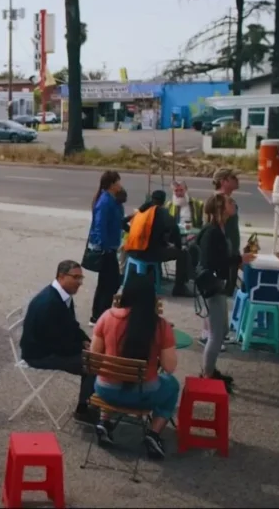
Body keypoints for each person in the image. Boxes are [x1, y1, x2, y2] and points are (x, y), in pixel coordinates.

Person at [91, 274, 180, 459]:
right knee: (171, 384)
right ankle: (153, 434)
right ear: (152, 297)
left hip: (105, 391)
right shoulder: (161, 326)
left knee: (110, 373)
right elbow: (169, 367)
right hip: (142, 396)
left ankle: (104, 422)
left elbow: (95, 356)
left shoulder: (107, 317)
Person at [20, 260, 98, 424]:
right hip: (39, 354)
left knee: (93, 357)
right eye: (76, 277)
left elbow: (71, 326)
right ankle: (83, 410)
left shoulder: (62, 296)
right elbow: (57, 344)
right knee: (93, 364)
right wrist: (82, 350)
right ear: (62, 276)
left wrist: (85, 341)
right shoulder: (50, 303)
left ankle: (89, 403)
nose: (80, 283)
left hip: (51, 347)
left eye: (81, 278)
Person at [197, 193, 255, 393]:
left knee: (221, 330)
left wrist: (238, 257)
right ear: (221, 208)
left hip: (218, 284)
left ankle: (209, 370)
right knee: (216, 334)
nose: (234, 204)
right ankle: (207, 375)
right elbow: (212, 262)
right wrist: (238, 259)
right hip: (213, 286)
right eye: (230, 202)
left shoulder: (219, 229)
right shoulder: (212, 232)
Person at [125, 190, 193, 297]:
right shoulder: (160, 211)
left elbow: (122, 222)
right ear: (163, 201)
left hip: (131, 251)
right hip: (147, 253)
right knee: (182, 254)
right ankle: (179, 288)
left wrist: (132, 231)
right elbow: (174, 228)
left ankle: (157, 277)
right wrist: (178, 246)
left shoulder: (141, 210)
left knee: (158, 246)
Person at [87, 171, 124, 326]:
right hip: (106, 249)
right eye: (118, 182)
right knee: (110, 282)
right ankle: (99, 316)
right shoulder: (105, 201)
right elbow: (100, 225)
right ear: (112, 184)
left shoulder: (112, 200)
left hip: (110, 247)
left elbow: (116, 221)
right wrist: (104, 246)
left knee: (107, 282)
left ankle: (98, 315)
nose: (120, 185)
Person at [213, 168, 241, 296]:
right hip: (227, 247)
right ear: (224, 181)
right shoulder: (221, 200)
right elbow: (219, 224)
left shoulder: (226, 199)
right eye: (233, 178)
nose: (237, 180)